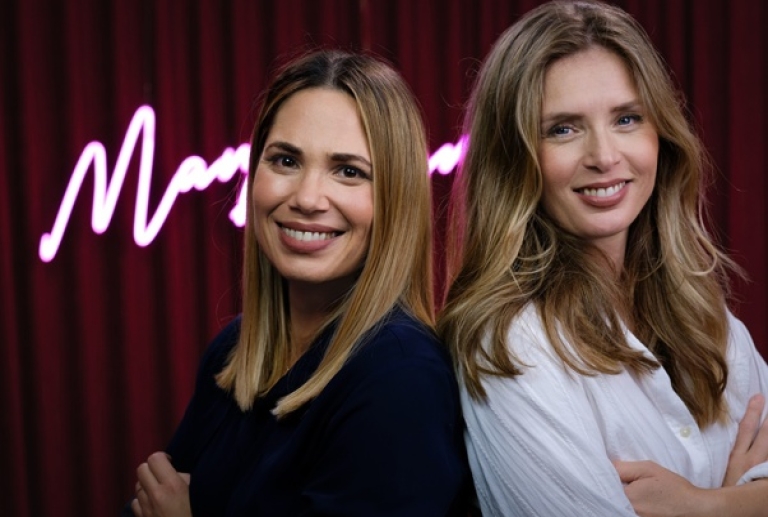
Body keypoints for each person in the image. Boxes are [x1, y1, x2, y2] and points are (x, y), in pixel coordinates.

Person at [437, 1, 768, 516]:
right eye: (563, 129)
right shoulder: (513, 346)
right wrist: (746, 499)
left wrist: (707, 507)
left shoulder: (704, 315)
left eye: (627, 119)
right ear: (514, 157)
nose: (605, 156)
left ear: (661, 134)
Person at [125, 49, 470, 517]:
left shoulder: (402, 379)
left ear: (397, 198)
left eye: (349, 171)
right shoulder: (234, 349)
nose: (307, 198)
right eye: (286, 160)